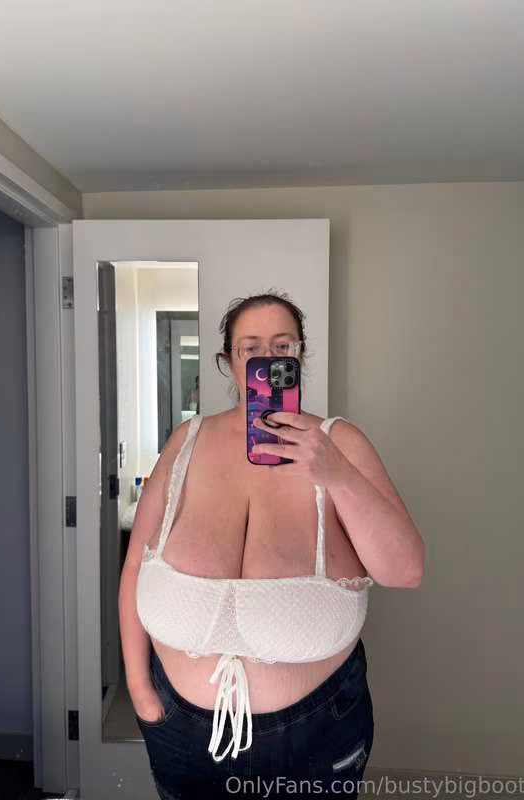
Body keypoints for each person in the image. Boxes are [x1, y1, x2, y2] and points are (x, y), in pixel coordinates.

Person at [119, 290, 424, 799]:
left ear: (300, 355)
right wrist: (139, 689)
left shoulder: (339, 443)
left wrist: (337, 473)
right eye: (251, 348)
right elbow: (134, 565)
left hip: (315, 739)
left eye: (283, 347)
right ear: (229, 361)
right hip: (180, 734)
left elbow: (406, 570)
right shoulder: (186, 441)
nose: (269, 359)